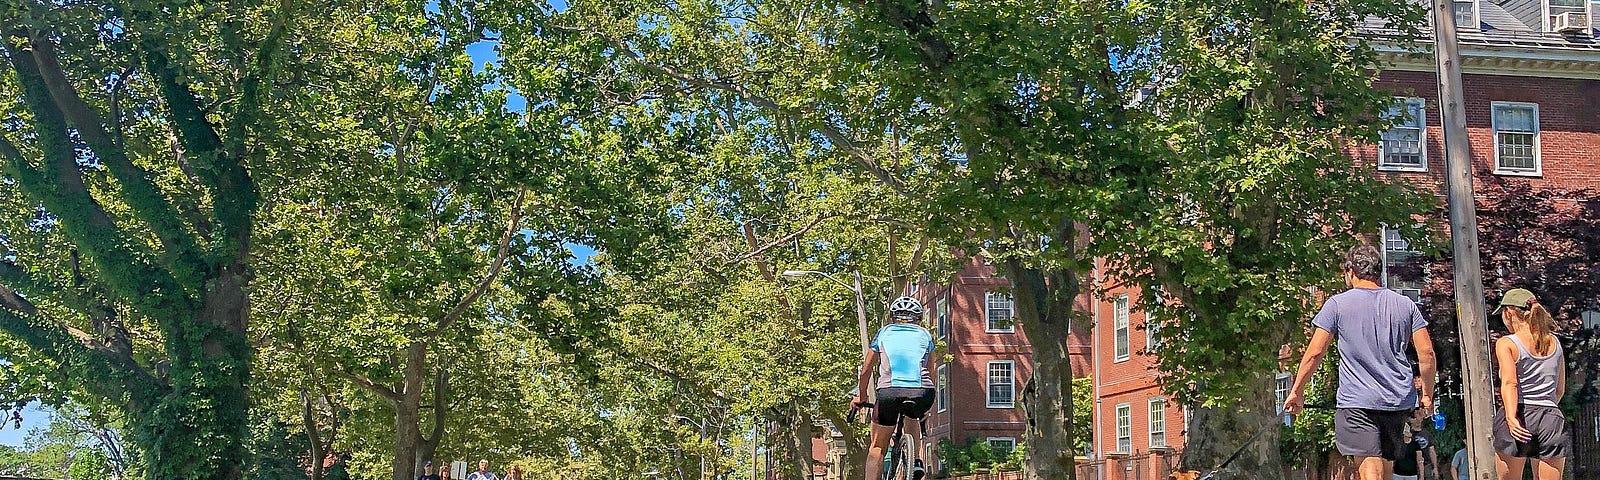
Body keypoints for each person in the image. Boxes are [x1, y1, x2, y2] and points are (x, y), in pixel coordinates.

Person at [1284, 245, 1436, 480]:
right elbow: (1427, 353)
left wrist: (1297, 391)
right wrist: (1427, 394)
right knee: (1385, 465)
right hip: (1397, 401)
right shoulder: (1405, 304)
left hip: (1358, 402)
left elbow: (1315, 352)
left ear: (1351, 271)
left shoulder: (1337, 304)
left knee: (1369, 466)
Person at [851, 296, 936, 480]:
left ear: (893, 316)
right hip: (923, 391)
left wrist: (861, 396)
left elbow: (866, 370)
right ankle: (915, 461)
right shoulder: (925, 335)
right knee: (912, 412)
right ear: (918, 318)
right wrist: (927, 406)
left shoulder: (884, 333)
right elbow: (931, 371)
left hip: (890, 391)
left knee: (877, 448)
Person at [1490, 288, 1568, 480]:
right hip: (1551, 417)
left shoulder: (1507, 343)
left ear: (1509, 312)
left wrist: (1510, 417)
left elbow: (1510, 383)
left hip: (1520, 414)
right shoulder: (1555, 343)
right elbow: (1560, 389)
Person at [1392, 413, 1438, 480]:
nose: (1418, 420)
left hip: (1426, 464)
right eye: (1415, 418)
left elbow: (1432, 450)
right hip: (1406, 468)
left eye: (1419, 418)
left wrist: (1435, 467)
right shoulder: (1403, 437)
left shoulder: (1426, 433)